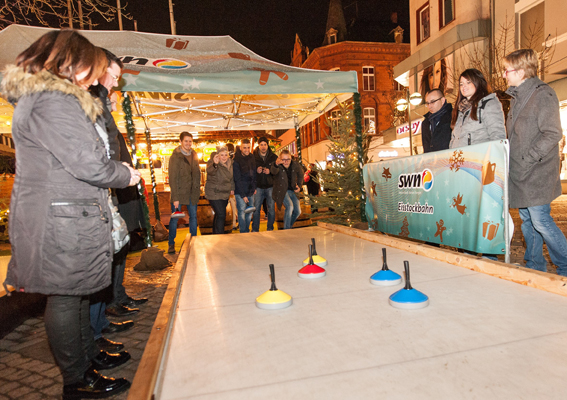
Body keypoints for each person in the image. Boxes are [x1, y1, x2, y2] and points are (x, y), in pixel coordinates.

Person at [1, 30, 141, 399]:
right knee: (66, 297)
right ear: (71, 63)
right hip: (60, 218)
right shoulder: (53, 101)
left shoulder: (47, 98)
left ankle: (86, 363)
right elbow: (88, 164)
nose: (95, 79)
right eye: (92, 70)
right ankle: (77, 380)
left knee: (76, 294)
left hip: (65, 213)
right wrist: (126, 173)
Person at [504, 48, 567, 276]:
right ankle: (534, 266)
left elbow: (552, 133)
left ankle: (565, 265)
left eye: (507, 70)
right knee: (527, 220)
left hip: (537, 172)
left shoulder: (543, 94)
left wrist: (526, 158)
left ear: (521, 71)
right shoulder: (517, 97)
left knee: (541, 220)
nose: (504, 74)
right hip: (522, 173)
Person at [449, 68, 506, 148]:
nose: (464, 86)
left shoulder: (488, 104)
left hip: (478, 158)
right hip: (459, 158)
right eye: (461, 84)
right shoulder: (461, 109)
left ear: (478, 83)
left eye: (468, 82)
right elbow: (454, 138)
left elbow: (497, 135)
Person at [168, 131, 201, 253]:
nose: (188, 143)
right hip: (179, 193)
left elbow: (197, 174)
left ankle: (193, 241)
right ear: (180, 141)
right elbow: (172, 177)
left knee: (193, 217)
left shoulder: (194, 155)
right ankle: (171, 243)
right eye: (186, 141)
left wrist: (198, 189)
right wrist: (175, 197)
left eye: (190, 141)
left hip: (192, 192)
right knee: (175, 219)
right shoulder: (175, 157)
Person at [272, 149, 304, 229]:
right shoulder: (277, 165)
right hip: (281, 190)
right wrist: (276, 164)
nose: (286, 162)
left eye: (288, 159)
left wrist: (299, 186)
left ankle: (288, 226)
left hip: (292, 190)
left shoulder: (295, 164)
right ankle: (286, 230)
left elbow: (301, 174)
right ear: (280, 159)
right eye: (284, 160)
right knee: (289, 206)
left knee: (297, 211)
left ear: (291, 158)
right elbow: (273, 172)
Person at [205, 146, 234, 234]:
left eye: (226, 155)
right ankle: (220, 236)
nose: (224, 157)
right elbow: (210, 171)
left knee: (219, 215)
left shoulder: (230, 163)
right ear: (218, 156)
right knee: (221, 215)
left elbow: (231, 178)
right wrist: (215, 163)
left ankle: (215, 234)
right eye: (222, 155)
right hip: (214, 193)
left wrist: (232, 188)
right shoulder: (213, 162)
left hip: (225, 193)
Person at [252, 137, 277, 232]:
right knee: (256, 208)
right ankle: (255, 229)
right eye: (261, 144)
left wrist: (270, 171)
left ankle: (270, 228)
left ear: (267, 145)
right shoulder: (253, 157)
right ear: (258, 146)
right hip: (258, 186)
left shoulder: (273, 157)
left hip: (270, 186)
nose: (263, 147)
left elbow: (278, 171)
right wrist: (256, 170)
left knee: (271, 208)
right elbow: (249, 171)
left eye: (265, 144)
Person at [233, 139, 257, 233]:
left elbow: (254, 174)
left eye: (248, 147)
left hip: (251, 190)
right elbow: (237, 179)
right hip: (240, 191)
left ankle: (247, 230)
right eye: (244, 147)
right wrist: (243, 195)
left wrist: (254, 187)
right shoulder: (236, 160)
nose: (247, 149)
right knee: (242, 212)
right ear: (240, 148)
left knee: (250, 212)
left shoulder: (252, 157)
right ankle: (243, 232)